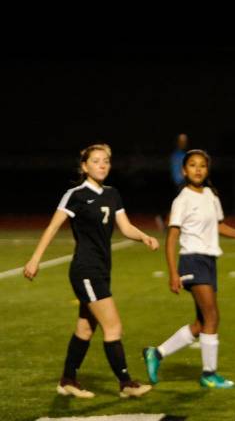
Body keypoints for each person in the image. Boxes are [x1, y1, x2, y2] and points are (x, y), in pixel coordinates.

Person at [23, 144, 158, 398]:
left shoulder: (113, 194)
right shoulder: (75, 194)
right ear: (84, 166)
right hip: (86, 270)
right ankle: (126, 383)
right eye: (96, 161)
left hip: (102, 269)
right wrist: (35, 259)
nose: (102, 165)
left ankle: (68, 380)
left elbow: (125, 227)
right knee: (113, 327)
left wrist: (144, 237)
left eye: (106, 160)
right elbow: (52, 228)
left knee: (85, 328)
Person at [143, 150, 235, 388]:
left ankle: (156, 353)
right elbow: (172, 238)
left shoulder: (211, 196)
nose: (198, 169)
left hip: (209, 260)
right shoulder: (182, 199)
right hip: (192, 261)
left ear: (207, 170)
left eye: (202, 165)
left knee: (201, 323)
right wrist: (173, 273)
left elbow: (219, 225)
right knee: (213, 316)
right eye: (192, 165)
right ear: (184, 171)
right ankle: (208, 374)